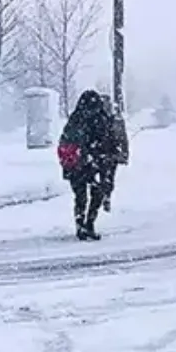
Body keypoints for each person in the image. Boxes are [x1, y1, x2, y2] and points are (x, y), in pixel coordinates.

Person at [57, 90, 114, 240]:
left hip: (78, 164)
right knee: (96, 193)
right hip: (93, 162)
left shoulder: (76, 118)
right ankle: (89, 223)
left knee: (81, 196)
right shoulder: (101, 118)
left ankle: (81, 224)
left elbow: (67, 140)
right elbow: (107, 140)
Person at [99, 94, 130, 212]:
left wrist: (125, 153)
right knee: (106, 177)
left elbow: (123, 137)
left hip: (110, 153)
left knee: (108, 177)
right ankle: (104, 197)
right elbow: (123, 138)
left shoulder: (116, 119)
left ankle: (105, 197)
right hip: (103, 152)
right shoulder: (99, 118)